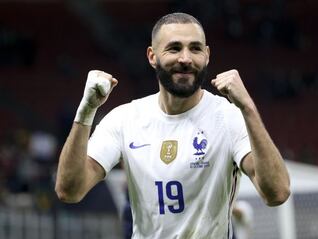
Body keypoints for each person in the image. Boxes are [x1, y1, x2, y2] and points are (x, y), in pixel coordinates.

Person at [55, 12, 290, 239]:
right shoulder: (125, 119)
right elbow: (70, 190)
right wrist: (86, 110)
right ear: (152, 56)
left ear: (207, 55)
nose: (185, 58)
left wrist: (248, 107)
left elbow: (277, 193)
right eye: (174, 48)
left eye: (195, 48)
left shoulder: (228, 118)